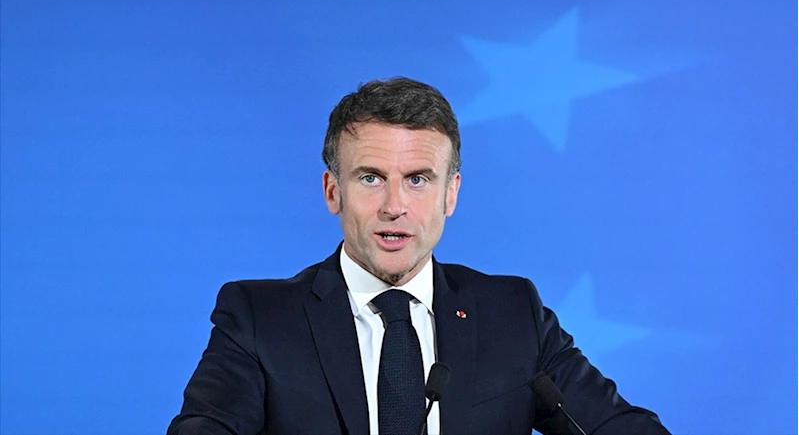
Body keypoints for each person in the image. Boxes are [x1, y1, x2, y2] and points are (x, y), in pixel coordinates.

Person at [167, 77, 671, 435]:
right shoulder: (259, 318)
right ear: (332, 191)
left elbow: (617, 426)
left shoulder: (513, 313)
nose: (394, 206)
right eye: (370, 178)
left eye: (417, 180)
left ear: (451, 194)